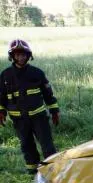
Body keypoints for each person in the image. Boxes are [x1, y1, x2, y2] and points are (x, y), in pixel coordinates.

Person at [0, 39, 60, 174]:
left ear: (28, 55)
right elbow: (1, 95)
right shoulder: (5, 75)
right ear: (12, 56)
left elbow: (48, 94)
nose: (21, 57)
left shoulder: (37, 73)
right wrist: (1, 111)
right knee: (27, 146)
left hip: (39, 117)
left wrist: (54, 110)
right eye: (17, 55)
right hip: (19, 120)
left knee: (47, 145)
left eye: (23, 54)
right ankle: (33, 172)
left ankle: (53, 170)